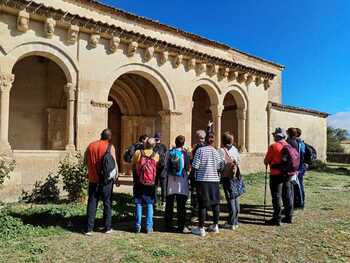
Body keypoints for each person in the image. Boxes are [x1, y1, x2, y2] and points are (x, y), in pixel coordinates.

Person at [85, 129, 117, 235]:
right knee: (107, 203)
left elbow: (86, 161)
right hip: (106, 181)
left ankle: (89, 229)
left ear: (100, 135)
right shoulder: (110, 147)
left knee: (92, 203)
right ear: (109, 137)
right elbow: (114, 165)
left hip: (93, 179)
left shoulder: (90, 146)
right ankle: (107, 227)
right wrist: (116, 178)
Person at [191, 132, 224, 237]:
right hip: (214, 180)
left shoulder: (200, 150)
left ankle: (201, 228)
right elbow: (220, 167)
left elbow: (195, 166)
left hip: (203, 180)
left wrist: (191, 178)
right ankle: (215, 226)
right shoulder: (216, 152)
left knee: (202, 204)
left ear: (205, 140)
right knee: (215, 203)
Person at [264, 127, 294, 226]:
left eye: (274, 135)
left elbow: (266, 160)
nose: (273, 137)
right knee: (287, 194)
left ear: (276, 136)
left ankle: (276, 218)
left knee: (276, 195)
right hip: (288, 174)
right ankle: (289, 216)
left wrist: (268, 162)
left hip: (276, 174)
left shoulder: (274, 146)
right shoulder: (288, 145)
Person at [132, 137, 159, 233]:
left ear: (145, 143)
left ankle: (137, 225)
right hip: (151, 183)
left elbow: (133, 166)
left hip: (139, 182)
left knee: (138, 203)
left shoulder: (138, 153)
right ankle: (149, 226)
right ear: (154, 146)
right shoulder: (156, 155)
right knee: (149, 203)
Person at [164, 135, 191, 233]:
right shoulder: (185, 153)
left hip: (171, 181)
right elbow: (187, 168)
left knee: (169, 205)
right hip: (182, 182)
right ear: (183, 143)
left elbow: (166, 166)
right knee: (181, 206)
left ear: (175, 143)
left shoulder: (169, 152)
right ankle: (181, 226)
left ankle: (167, 225)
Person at [189, 121, 214, 215]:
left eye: (202, 138)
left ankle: (198, 211)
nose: (201, 140)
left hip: (199, 174)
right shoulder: (203, 147)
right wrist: (208, 128)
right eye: (200, 138)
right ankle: (199, 211)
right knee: (199, 193)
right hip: (201, 174)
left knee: (197, 193)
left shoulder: (198, 147)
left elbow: (192, 161)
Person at [218, 132, 241, 230]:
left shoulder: (221, 151)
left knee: (230, 198)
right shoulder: (235, 149)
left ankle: (231, 222)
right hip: (235, 176)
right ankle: (235, 221)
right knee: (235, 197)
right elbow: (239, 161)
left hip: (227, 176)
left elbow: (220, 165)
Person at [153, 132, 168, 205]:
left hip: (155, 168)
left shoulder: (153, 147)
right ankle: (164, 201)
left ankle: (154, 201)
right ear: (160, 139)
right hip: (163, 169)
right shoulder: (164, 146)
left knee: (155, 185)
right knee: (163, 185)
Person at [295, 128, 306, 209]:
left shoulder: (298, 143)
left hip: (299, 168)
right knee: (300, 185)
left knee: (299, 185)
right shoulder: (302, 143)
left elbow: (299, 156)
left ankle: (300, 203)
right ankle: (300, 203)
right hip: (301, 167)